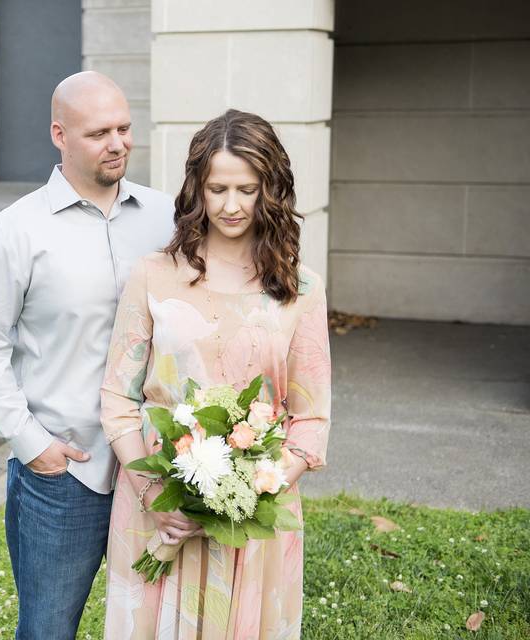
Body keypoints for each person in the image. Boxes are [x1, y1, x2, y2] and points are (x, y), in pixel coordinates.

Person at [0, 71, 177, 639]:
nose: (118, 143)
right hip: (66, 473)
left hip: (157, 465)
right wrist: (32, 446)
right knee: (48, 630)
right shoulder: (13, 232)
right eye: (98, 132)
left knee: (158, 626)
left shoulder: (168, 217)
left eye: (125, 128)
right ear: (59, 134)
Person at [100, 109, 332, 639]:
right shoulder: (153, 275)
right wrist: (156, 497)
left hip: (256, 515)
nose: (231, 205)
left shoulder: (302, 289)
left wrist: (251, 492)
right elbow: (117, 400)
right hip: (157, 506)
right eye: (217, 188)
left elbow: (311, 417)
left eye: (246, 189)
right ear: (196, 189)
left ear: (269, 189)